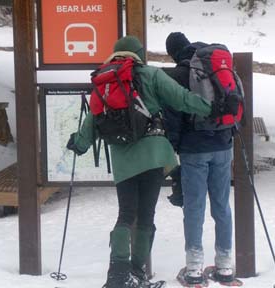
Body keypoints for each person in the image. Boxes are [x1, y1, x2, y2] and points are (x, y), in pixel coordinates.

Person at [66, 35, 212, 288]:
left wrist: (79, 144)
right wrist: (213, 109)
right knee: (146, 216)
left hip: (123, 158)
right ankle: (138, 274)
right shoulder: (151, 75)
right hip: (154, 154)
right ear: (139, 54)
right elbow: (181, 98)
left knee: (125, 214)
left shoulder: (104, 80)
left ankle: (118, 276)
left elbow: (92, 121)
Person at [164, 32, 236, 284]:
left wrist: (172, 147)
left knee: (194, 207)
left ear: (173, 53)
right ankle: (225, 266)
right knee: (222, 206)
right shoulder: (215, 66)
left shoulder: (179, 75)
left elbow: (172, 116)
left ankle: (194, 268)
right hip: (223, 145)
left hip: (194, 149)